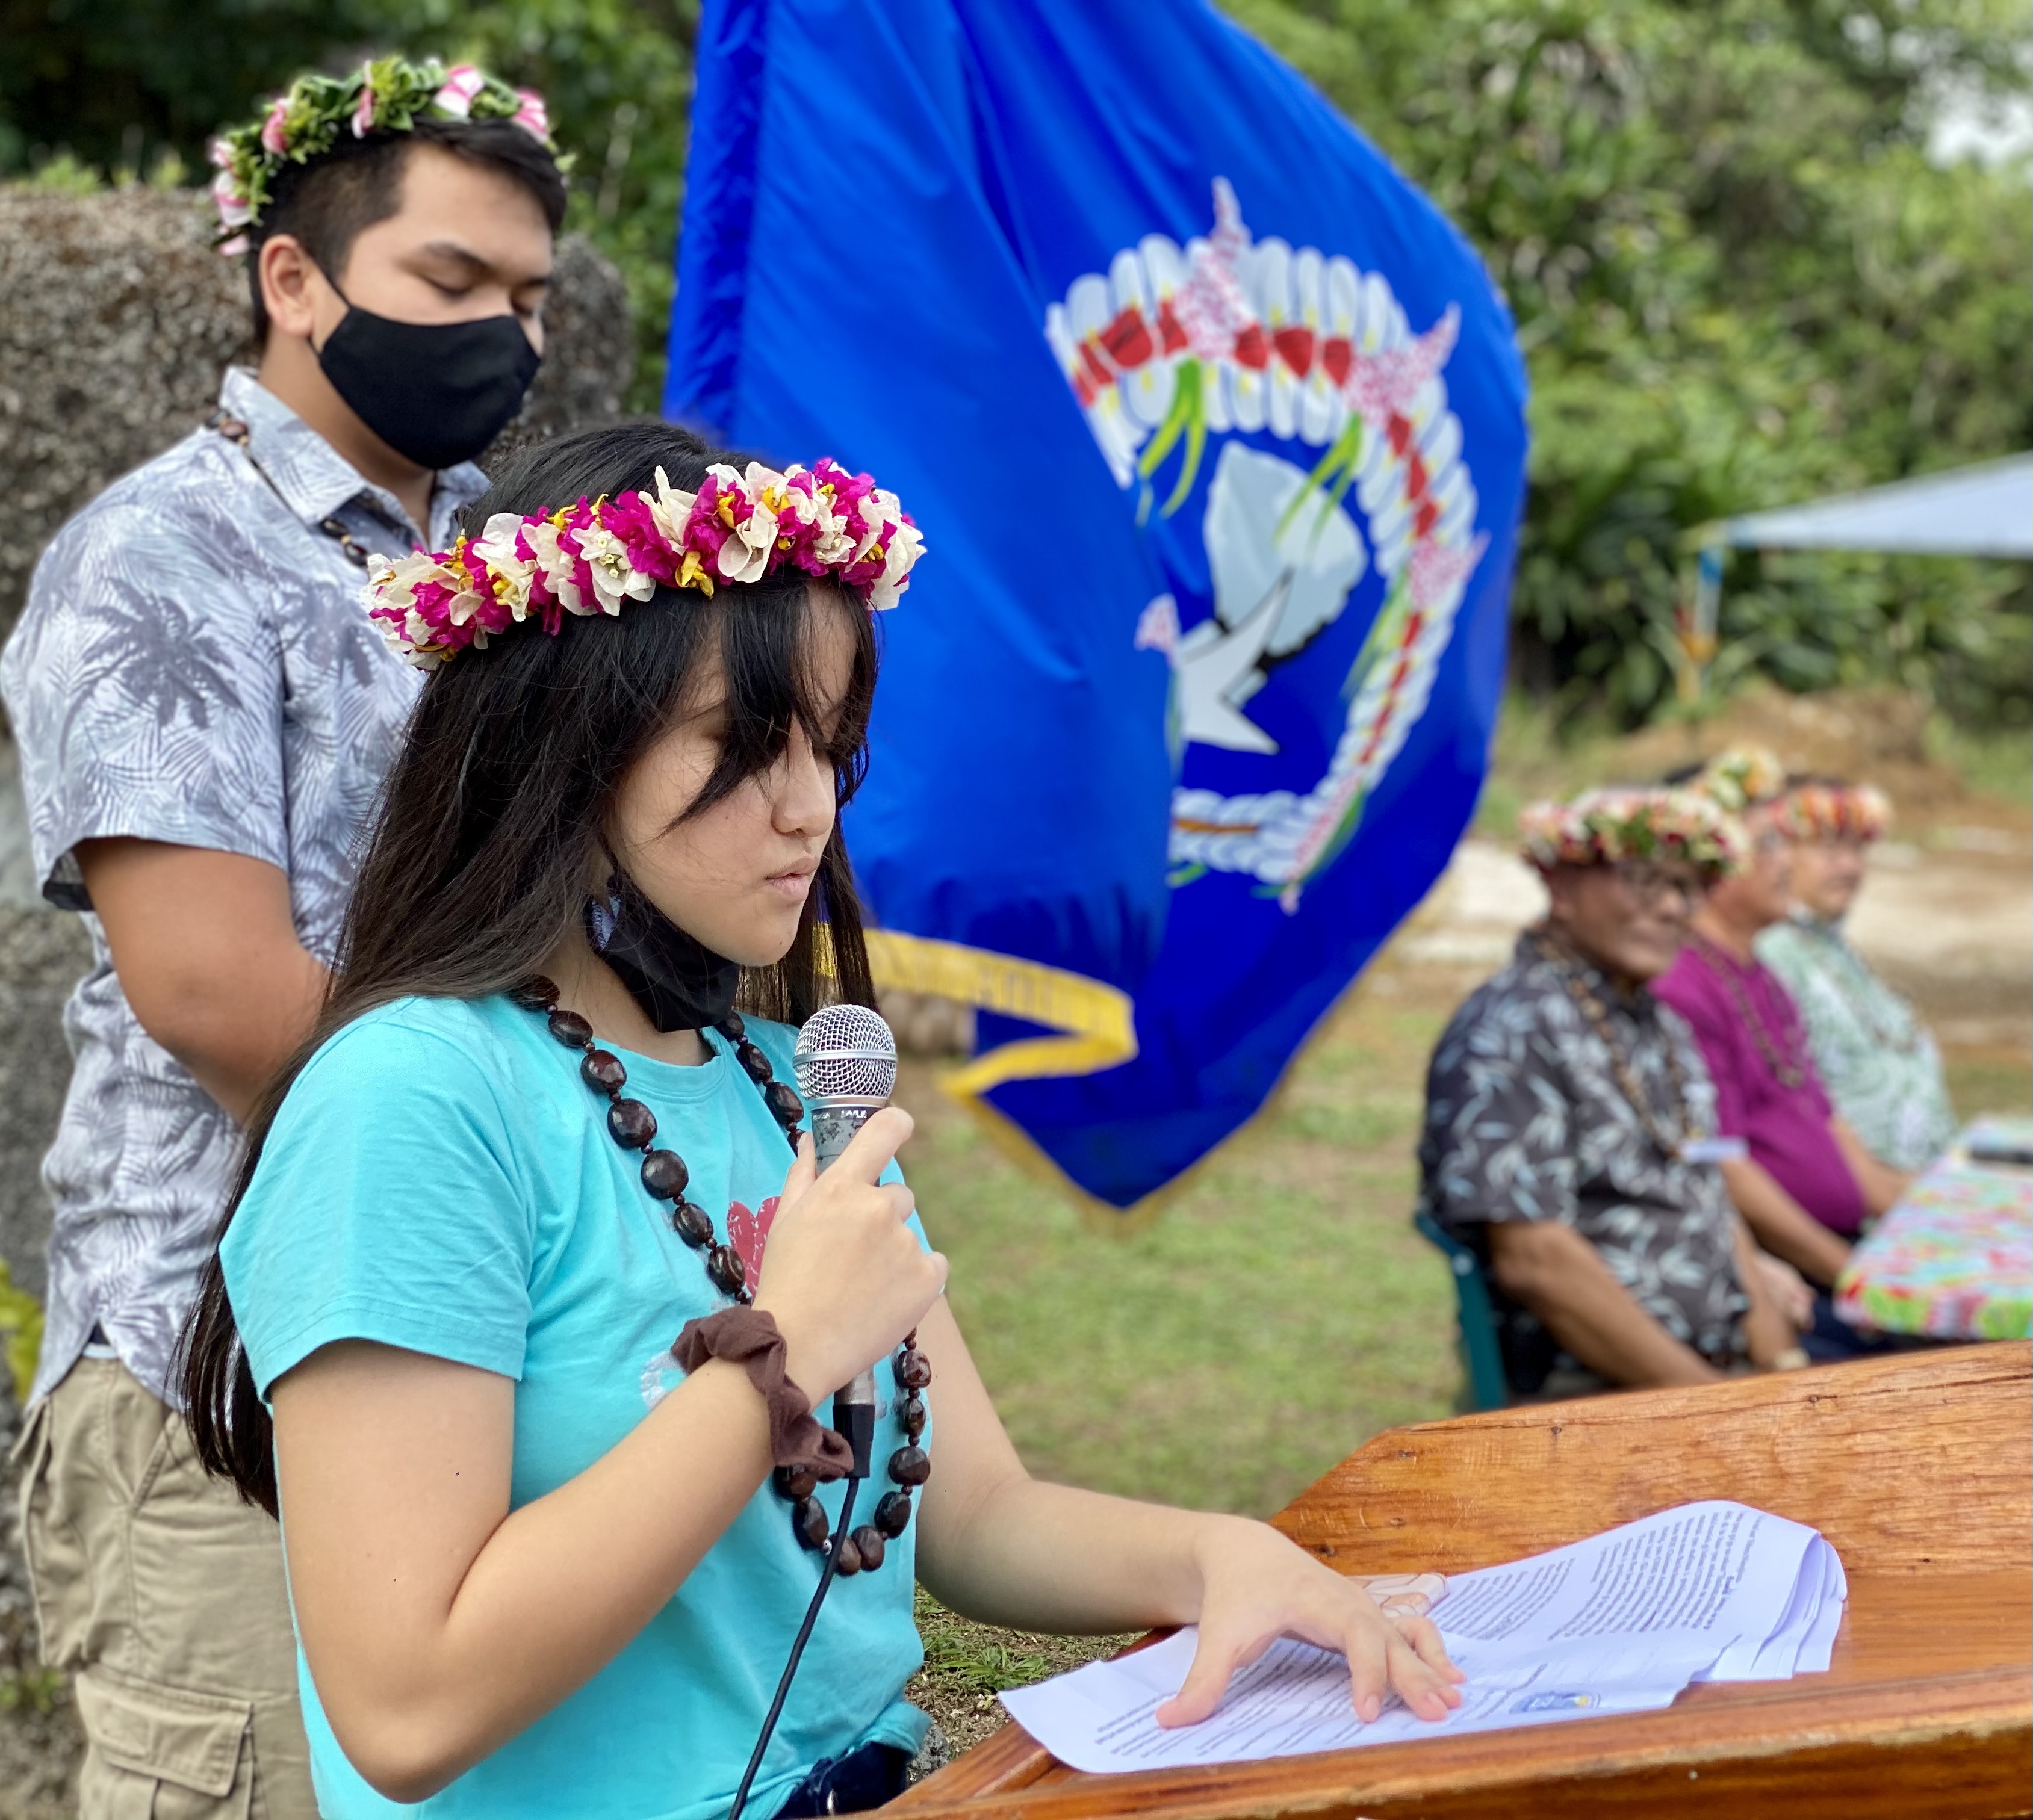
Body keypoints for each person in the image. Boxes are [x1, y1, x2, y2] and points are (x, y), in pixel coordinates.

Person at [179, 422, 1464, 1819]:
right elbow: (405, 1703)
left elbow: (973, 1516)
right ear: (564, 745)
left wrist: (1219, 1557)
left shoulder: (795, 1075)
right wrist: (771, 1366)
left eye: (830, 746)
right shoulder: (413, 1100)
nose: (806, 810)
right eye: (743, 747)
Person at [0, 60, 564, 1818]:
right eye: (454, 284)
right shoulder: (160, 560)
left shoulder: (519, 559)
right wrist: (558, 1152)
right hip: (220, 1368)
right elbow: (217, 990)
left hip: (479, 1327)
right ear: (294, 281)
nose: (506, 334)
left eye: (530, 300)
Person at [1420, 787, 1805, 1402]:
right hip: (1589, 1402)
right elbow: (1536, 1263)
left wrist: (1781, 1370)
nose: (1671, 907)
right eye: (1644, 880)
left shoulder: (1654, 1023)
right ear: (1560, 887)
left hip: (1710, 1382)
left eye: (1687, 888)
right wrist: (1713, 1405)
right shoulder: (1512, 1027)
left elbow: (1708, 1198)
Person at [1653, 752, 1909, 1299]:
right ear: (1711, 864)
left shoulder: (1760, 974)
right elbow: (1725, 1170)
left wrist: (1910, 1228)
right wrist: (1850, 1278)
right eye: (1767, 844)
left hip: (1841, 1251)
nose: (1785, 863)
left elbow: (1827, 1123)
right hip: (1781, 1278)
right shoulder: (1684, 985)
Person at [1757, 777, 1955, 1172]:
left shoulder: (1833, 948)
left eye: (1856, 849)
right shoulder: (1770, 955)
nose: (1849, 866)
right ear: (1778, 854)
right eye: (1829, 850)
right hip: (1868, 1203)